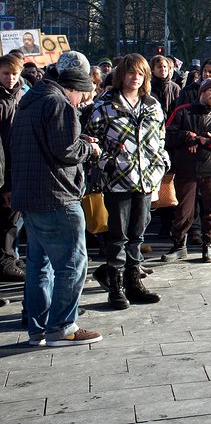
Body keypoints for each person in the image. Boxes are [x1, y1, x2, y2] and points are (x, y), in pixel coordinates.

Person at [10, 50, 103, 345]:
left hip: (29, 194)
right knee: (72, 263)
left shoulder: (29, 100)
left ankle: (38, 328)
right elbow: (66, 152)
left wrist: (75, 141)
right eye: (81, 96)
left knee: (38, 265)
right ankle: (62, 327)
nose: (81, 102)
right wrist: (90, 149)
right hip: (56, 196)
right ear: (73, 88)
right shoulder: (59, 103)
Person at [85, 54, 168, 309]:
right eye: (131, 73)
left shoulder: (152, 104)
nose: (135, 78)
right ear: (122, 75)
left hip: (146, 180)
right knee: (118, 236)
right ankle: (116, 286)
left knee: (137, 234)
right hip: (118, 179)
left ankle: (134, 282)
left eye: (140, 73)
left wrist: (161, 162)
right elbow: (91, 140)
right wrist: (108, 161)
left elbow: (160, 138)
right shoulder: (105, 105)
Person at [164, 78, 211, 263]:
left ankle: (209, 244)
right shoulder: (182, 111)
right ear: (202, 92)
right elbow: (166, 136)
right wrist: (186, 137)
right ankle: (179, 245)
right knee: (183, 209)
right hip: (186, 168)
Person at [0, 53, 25, 283]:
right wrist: (5, 183)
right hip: (5, 171)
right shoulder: (2, 101)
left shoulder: (21, 97)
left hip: (17, 167)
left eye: (14, 73)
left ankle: (11, 257)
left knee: (13, 220)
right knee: (7, 220)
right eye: (6, 73)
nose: (10, 78)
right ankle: (6, 261)